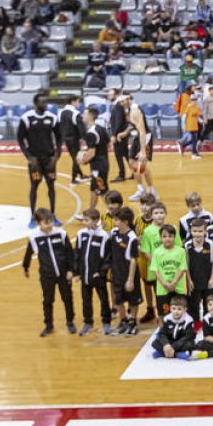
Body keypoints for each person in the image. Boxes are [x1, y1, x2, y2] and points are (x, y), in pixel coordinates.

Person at [23, 207, 76, 337]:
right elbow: (28, 253)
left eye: (51, 221)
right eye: (46, 223)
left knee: (67, 297)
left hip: (63, 274)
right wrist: (26, 267)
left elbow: (70, 253)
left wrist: (71, 270)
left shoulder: (61, 234)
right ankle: (48, 325)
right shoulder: (34, 237)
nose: (50, 225)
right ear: (38, 223)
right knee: (47, 300)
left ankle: (70, 321)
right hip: (47, 275)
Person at [18, 92, 60, 225]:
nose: (45, 104)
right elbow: (20, 139)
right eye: (42, 102)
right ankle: (32, 217)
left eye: (46, 102)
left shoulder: (52, 118)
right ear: (36, 103)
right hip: (35, 161)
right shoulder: (27, 118)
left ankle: (53, 214)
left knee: (51, 186)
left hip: (49, 160)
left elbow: (59, 139)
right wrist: (29, 157)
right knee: (34, 187)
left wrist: (56, 157)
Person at [74, 208, 111, 336]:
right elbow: (77, 254)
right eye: (83, 220)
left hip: (98, 276)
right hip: (85, 275)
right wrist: (77, 273)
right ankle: (88, 322)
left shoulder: (104, 236)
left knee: (104, 299)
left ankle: (106, 322)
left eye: (87, 220)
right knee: (86, 300)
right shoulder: (81, 234)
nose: (84, 222)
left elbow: (107, 257)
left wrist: (101, 273)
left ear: (96, 221)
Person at [108, 206, 141, 336]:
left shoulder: (132, 238)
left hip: (129, 274)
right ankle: (123, 321)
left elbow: (133, 260)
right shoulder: (114, 232)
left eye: (117, 220)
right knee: (118, 299)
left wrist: (130, 279)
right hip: (117, 273)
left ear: (126, 221)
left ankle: (132, 322)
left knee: (133, 300)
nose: (115, 222)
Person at [79, 108, 112, 213]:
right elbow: (108, 143)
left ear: (90, 116)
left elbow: (92, 153)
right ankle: (91, 212)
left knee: (102, 191)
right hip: (103, 163)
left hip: (98, 167)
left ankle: (115, 214)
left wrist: (83, 160)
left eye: (84, 114)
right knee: (93, 190)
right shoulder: (101, 128)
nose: (82, 116)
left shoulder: (91, 133)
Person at [150, 295, 195, 360]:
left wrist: (172, 347)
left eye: (179, 309)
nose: (176, 311)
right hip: (170, 341)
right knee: (154, 343)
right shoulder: (167, 318)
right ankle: (176, 354)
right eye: (174, 308)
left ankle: (163, 353)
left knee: (190, 345)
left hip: (181, 342)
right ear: (170, 308)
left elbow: (188, 336)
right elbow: (162, 333)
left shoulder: (188, 320)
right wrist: (166, 344)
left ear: (185, 309)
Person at [57, 95, 85, 184]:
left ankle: (81, 174)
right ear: (73, 102)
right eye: (78, 101)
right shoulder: (75, 113)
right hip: (74, 138)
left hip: (66, 139)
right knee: (76, 158)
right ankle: (73, 178)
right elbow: (81, 127)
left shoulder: (61, 112)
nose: (79, 104)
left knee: (74, 157)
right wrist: (83, 138)